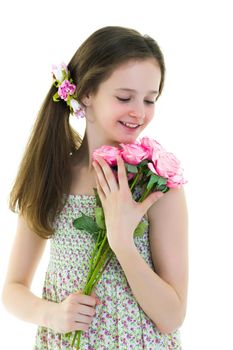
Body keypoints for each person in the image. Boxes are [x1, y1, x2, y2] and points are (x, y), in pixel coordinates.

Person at [2, 26, 188, 349]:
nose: (140, 112)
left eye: (150, 99)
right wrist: (53, 315)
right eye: (124, 97)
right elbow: (13, 289)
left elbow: (172, 316)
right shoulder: (53, 176)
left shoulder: (157, 187)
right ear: (86, 93)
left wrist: (122, 244)